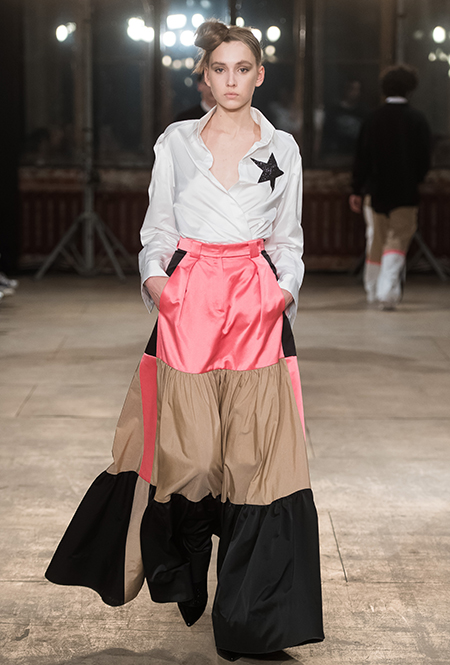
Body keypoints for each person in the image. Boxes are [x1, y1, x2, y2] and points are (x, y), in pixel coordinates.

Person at [45, 20, 324, 660]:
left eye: (243, 69)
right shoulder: (176, 142)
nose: (231, 80)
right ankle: (183, 568)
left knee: (256, 466)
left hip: (254, 312)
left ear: (260, 74)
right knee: (191, 461)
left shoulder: (282, 148)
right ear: (204, 76)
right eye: (219, 69)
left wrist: (279, 293)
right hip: (189, 309)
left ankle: (254, 622)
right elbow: (158, 228)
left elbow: (289, 238)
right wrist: (160, 286)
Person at [350, 65, 431, 309]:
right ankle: (387, 290)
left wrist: (356, 188)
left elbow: (361, 157)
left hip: (374, 191)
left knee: (376, 239)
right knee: (398, 239)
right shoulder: (417, 120)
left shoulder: (372, 119)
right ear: (410, 89)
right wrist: (416, 179)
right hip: (405, 191)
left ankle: (372, 288)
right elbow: (424, 160)